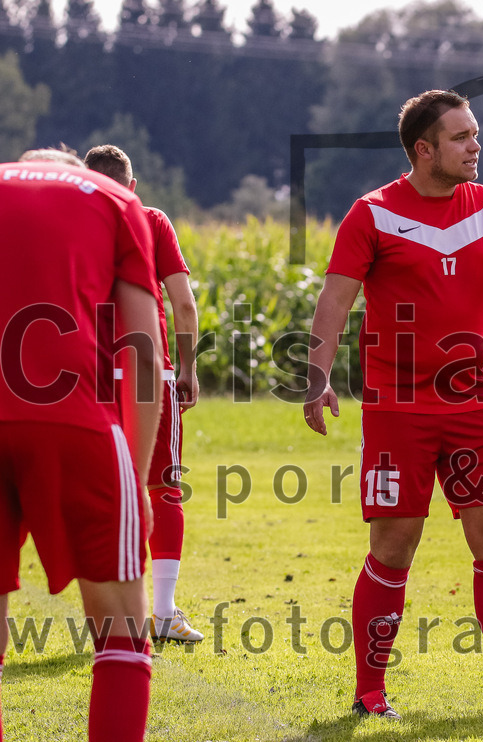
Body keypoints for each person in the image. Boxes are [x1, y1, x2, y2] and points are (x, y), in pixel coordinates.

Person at [303, 89, 483, 721]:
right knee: (394, 544)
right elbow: (335, 300)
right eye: (462, 137)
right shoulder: (373, 213)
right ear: (424, 149)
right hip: (396, 408)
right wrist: (316, 375)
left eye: (475, 134)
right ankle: (369, 692)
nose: (476, 146)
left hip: (475, 405)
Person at [0, 148, 163, 740]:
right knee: (122, 626)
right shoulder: (115, 200)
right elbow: (145, 355)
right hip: (72, 420)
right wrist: (140, 481)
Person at [85, 144, 204, 644]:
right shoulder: (152, 220)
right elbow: (183, 306)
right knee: (163, 487)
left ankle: (109, 614)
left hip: (87, 378)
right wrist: (189, 370)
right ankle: (163, 610)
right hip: (147, 377)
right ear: (131, 186)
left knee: (98, 493)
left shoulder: (74, 223)